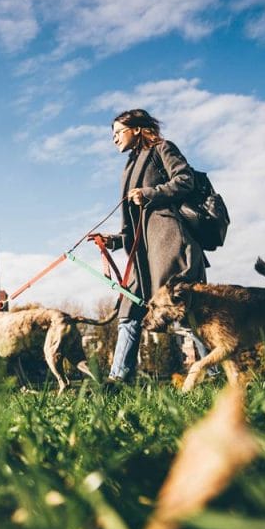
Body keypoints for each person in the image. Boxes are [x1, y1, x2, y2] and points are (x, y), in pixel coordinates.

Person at [89, 109, 207, 384]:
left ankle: (212, 373)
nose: (114, 139)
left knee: (184, 312)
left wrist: (149, 193)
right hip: (140, 258)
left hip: (168, 246)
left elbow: (185, 179)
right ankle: (118, 380)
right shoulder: (129, 166)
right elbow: (134, 221)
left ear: (138, 129)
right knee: (128, 315)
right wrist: (115, 241)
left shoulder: (162, 149)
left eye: (118, 132)